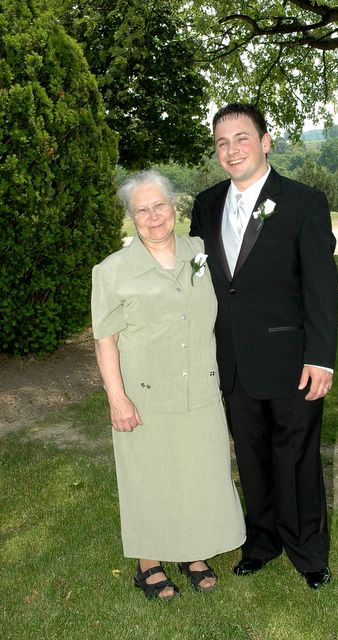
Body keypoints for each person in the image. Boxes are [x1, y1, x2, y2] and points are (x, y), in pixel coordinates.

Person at [190, 104, 338, 589]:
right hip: (232, 359)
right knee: (251, 457)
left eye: (242, 138)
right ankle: (262, 543)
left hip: (292, 360)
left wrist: (320, 358)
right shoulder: (206, 204)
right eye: (222, 142)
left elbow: (321, 286)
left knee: (297, 458)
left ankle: (308, 552)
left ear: (265, 142)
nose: (231, 150)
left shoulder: (303, 201)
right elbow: (198, 278)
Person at [91, 169, 245, 600]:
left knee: (199, 474)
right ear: (131, 217)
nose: (153, 216)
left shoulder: (199, 252)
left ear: (174, 206)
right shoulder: (112, 271)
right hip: (145, 395)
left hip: (201, 388)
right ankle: (149, 563)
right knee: (149, 478)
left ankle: (193, 552)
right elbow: (105, 340)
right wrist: (117, 399)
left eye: (159, 205)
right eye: (142, 210)